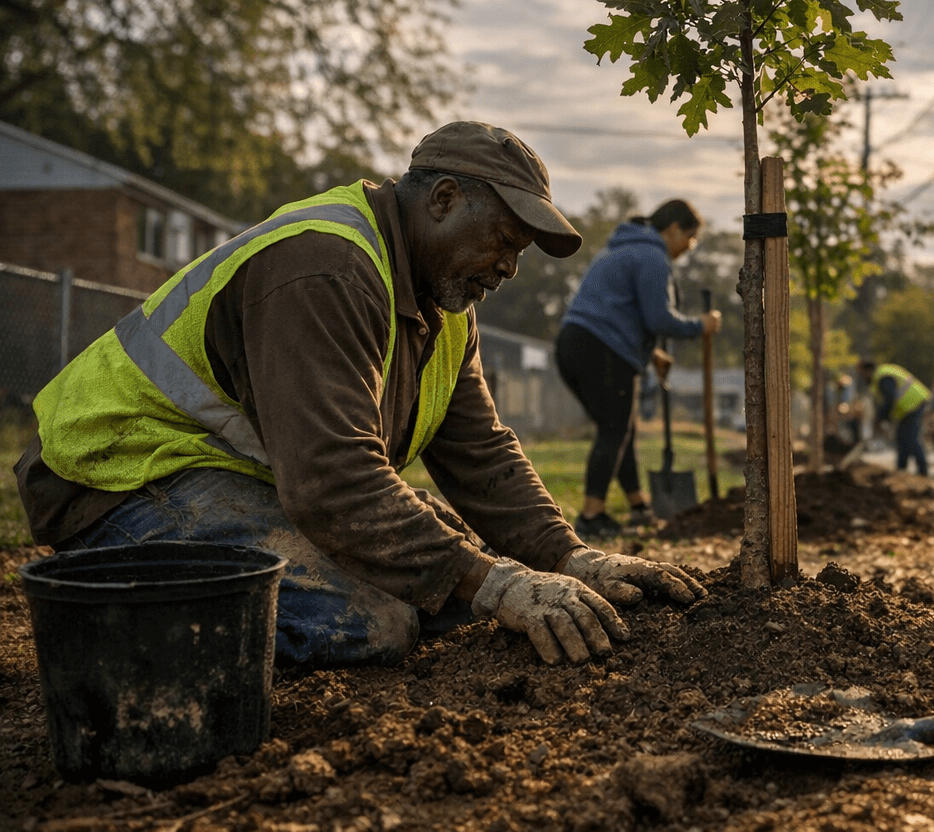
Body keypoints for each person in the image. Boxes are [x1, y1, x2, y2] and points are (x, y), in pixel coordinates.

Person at [13, 121, 704, 669]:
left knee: (450, 573)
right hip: (117, 477)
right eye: (503, 238)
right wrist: (496, 586)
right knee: (371, 623)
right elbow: (333, 483)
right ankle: (100, 623)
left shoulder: (447, 311)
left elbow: (482, 455)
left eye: (520, 252)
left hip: (221, 475)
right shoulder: (327, 267)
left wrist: (568, 556)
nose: (509, 267)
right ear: (442, 200)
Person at [556, 199, 722, 540]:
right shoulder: (652, 257)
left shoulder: (621, 249)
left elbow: (619, 312)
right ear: (674, 228)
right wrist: (700, 325)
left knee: (620, 429)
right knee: (615, 431)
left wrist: (652, 353)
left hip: (574, 344)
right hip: (602, 350)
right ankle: (591, 515)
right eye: (690, 239)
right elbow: (659, 318)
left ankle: (638, 505)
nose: (689, 248)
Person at [857, 359, 930, 476]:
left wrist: (880, 420)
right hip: (907, 408)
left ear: (868, 370)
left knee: (910, 437)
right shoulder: (880, 376)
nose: (862, 377)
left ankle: (922, 471)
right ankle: (901, 470)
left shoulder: (882, 377)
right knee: (902, 438)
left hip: (913, 404)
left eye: (862, 373)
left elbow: (889, 400)